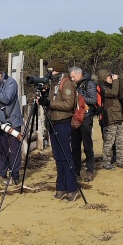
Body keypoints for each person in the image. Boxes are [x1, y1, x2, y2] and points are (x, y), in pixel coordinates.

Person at [37, 58, 81, 202]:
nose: (50, 73)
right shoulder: (54, 84)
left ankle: (72, 189)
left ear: (58, 70)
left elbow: (68, 104)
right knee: (57, 156)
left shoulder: (66, 83)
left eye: (52, 70)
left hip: (63, 122)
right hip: (53, 122)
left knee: (65, 156)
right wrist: (44, 96)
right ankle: (61, 187)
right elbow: (53, 101)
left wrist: (49, 102)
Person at [0, 63, 24, 186]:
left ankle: (14, 176)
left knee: (14, 150)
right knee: (2, 150)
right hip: (1, 123)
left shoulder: (11, 83)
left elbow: (6, 98)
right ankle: (2, 174)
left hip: (12, 122)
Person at [69, 66, 98, 182]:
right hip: (75, 118)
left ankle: (90, 171)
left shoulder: (89, 84)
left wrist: (79, 97)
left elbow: (93, 100)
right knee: (75, 147)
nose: (72, 79)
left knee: (87, 146)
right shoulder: (72, 85)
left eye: (73, 76)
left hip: (86, 118)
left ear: (79, 74)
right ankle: (76, 172)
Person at [98, 69, 123, 170]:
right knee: (109, 142)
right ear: (104, 77)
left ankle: (121, 161)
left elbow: (120, 93)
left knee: (121, 141)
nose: (111, 79)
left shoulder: (112, 86)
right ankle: (106, 162)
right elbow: (113, 93)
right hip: (109, 118)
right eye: (109, 77)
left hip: (117, 117)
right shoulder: (101, 88)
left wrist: (118, 81)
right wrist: (116, 81)